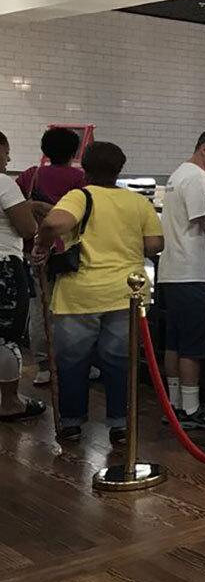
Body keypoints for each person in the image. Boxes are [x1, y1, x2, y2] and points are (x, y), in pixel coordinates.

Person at [33, 142, 163, 444]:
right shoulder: (137, 203)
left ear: (85, 168)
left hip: (81, 293)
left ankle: (72, 422)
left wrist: (44, 243)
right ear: (120, 168)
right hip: (127, 292)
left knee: (73, 361)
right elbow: (155, 245)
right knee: (120, 360)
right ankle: (120, 423)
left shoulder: (81, 196)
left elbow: (54, 221)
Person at [158, 129, 205, 430]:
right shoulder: (199, 179)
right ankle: (190, 409)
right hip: (192, 272)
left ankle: (174, 404)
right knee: (191, 345)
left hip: (170, 272)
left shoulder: (178, 175)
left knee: (173, 343)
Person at [16, 127, 87, 386]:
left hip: (36, 249)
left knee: (40, 308)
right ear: (74, 152)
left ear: (45, 150)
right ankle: (74, 363)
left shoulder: (30, 176)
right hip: (71, 251)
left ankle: (44, 366)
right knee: (73, 309)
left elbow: (13, 205)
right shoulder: (80, 178)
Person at [0, 132, 46, 423]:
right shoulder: (3, 183)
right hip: (3, 265)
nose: (8, 159)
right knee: (5, 338)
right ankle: (9, 402)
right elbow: (28, 229)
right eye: (5, 153)